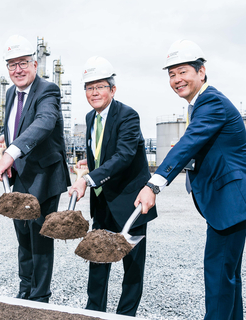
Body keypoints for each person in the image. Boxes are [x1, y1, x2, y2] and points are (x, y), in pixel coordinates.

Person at [135, 39, 246, 320]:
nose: (177, 79)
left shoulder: (211, 102)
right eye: (171, 74)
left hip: (232, 201)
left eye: (183, 71)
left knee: (218, 276)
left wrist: (153, 184)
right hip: (230, 199)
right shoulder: (198, 104)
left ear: (201, 71)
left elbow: (188, 143)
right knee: (228, 275)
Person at [69, 56, 157, 317]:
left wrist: (88, 179)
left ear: (113, 89)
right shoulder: (89, 117)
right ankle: (94, 312)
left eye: (100, 86)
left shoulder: (128, 116)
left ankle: (125, 315)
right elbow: (102, 153)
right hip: (103, 202)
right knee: (97, 258)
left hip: (132, 201)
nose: (94, 92)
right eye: (89, 87)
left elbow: (124, 155)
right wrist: (89, 166)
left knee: (132, 266)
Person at [0, 35, 70, 303]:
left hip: (44, 176)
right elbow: (18, 125)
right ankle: (25, 288)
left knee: (40, 237)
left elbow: (44, 122)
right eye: (12, 65)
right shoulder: (12, 92)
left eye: (23, 63)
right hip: (20, 176)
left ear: (35, 64)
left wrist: (11, 153)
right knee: (23, 235)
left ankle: (39, 296)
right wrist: (6, 140)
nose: (18, 70)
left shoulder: (48, 90)